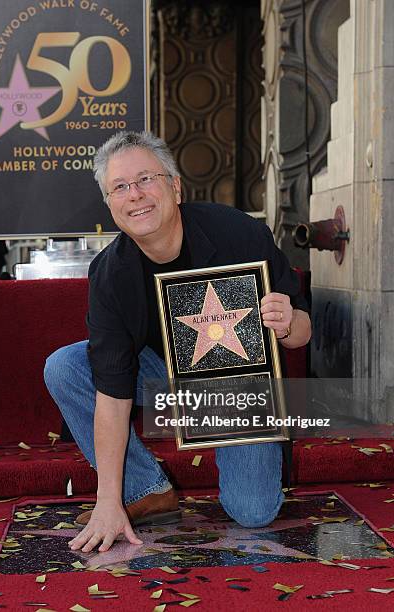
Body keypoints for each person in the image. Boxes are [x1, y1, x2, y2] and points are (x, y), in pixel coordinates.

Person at [44, 131, 311, 555]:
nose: (136, 195)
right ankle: (146, 490)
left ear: (175, 185)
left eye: (147, 179)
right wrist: (108, 500)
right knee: (65, 366)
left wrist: (288, 321)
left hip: (237, 386)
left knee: (254, 512)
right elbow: (112, 393)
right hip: (161, 375)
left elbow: (301, 335)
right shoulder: (110, 274)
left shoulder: (237, 234)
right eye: (120, 187)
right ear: (110, 204)